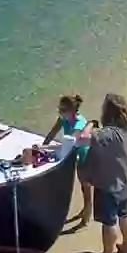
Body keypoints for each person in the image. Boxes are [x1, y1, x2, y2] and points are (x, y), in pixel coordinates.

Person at [77, 93, 127, 253]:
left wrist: (90, 125)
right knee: (124, 215)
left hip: (107, 185)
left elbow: (82, 140)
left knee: (109, 222)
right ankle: (126, 247)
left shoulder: (107, 134)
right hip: (123, 181)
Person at [43, 94, 93, 229]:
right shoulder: (63, 119)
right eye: (59, 109)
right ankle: (83, 211)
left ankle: (86, 218)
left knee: (85, 188)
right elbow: (53, 132)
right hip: (72, 153)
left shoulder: (79, 124)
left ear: (72, 111)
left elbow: (70, 143)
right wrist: (43, 146)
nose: (59, 112)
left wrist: (47, 148)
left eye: (62, 110)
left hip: (84, 155)